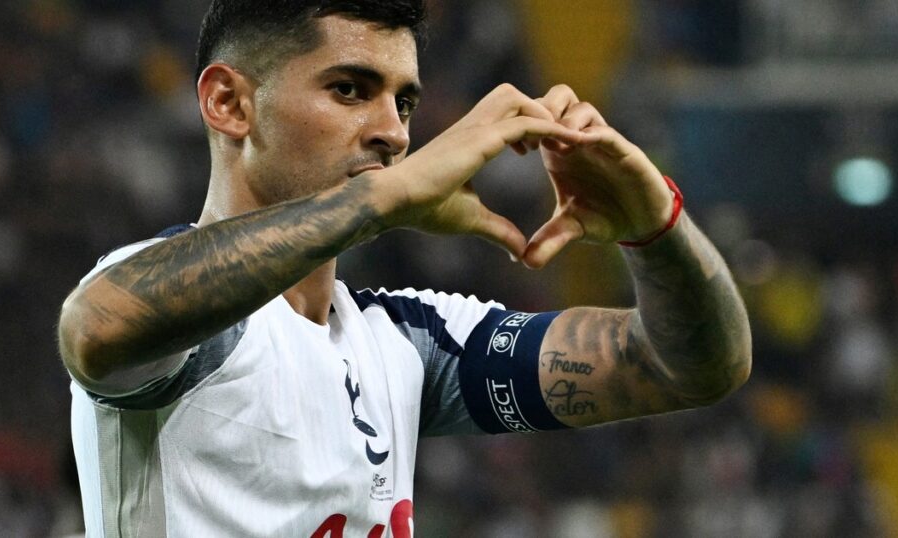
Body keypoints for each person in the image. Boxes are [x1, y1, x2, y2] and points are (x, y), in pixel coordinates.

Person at [57, 0, 752, 535]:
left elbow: (685, 366)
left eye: (405, 101)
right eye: (349, 90)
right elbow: (96, 327)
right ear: (229, 103)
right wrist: (385, 197)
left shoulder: (408, 342)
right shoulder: (174, 311)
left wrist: (656, 228)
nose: (393, 132)